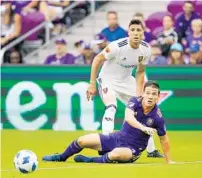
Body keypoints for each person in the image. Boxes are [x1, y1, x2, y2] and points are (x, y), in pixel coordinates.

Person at [42, 81, 175, 164]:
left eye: (154, 94)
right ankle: (61, 157)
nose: (150, 96)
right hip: (117, 138)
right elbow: (129, 118)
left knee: (115, 154)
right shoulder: (134, 101)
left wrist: (168, 160)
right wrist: (143, 128)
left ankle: (90, 160)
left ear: (158, 97)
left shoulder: (158, 117)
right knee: (82, 140)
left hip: (132, 150)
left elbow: (164, 139)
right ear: (143, 94)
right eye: (148, 93)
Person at [86, 19, 163, 157]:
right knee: (111, 107)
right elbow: (97, 59)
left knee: (142, 109)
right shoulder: (117, 46)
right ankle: (105, 145)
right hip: (107, 79)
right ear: (128, 32)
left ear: (143, 33)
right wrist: (92, 83)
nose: (135, 33)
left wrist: (139, 95)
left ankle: (151, 150)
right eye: (132, 30)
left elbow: (140, 72)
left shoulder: (145, 49)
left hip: (126, 80)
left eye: (138, 30)